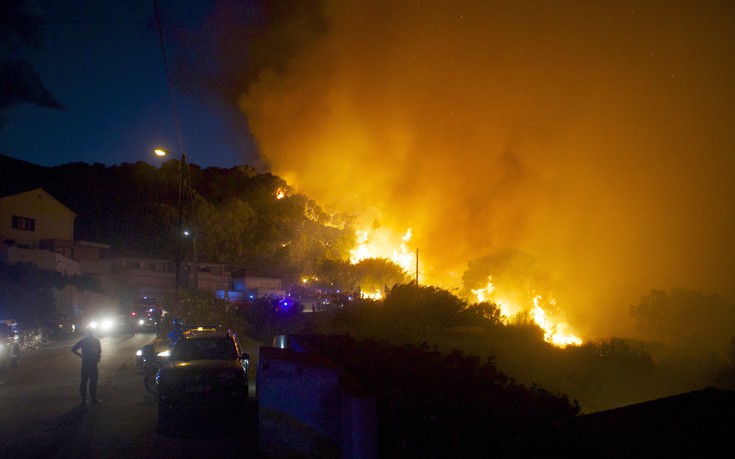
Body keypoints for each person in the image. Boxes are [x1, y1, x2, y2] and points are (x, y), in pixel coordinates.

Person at [71, 327, 102, 405]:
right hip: (92, 363)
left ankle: (84, 399)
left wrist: (81, 356)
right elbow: (99, 350)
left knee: (85, 380)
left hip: (86, 363)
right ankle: (92, 398)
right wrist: (97, 357)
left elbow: (73, 349)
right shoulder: (95, 340)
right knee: (92, 380)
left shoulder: (84, 341)